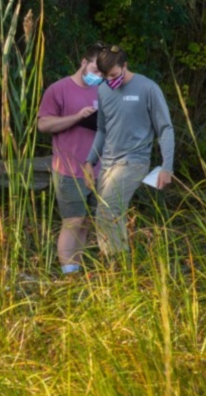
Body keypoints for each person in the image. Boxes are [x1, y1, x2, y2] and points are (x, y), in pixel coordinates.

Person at [83, 45, 175, 258]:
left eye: (114, 75)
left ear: (125, 66)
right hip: (107, 164)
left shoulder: (148, 88)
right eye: (105, 77)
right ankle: (124, 270)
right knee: (110, 215)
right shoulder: (104, 89)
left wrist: (167, 167)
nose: (110, 80)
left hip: (134, 161)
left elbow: (165, 128)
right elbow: (102, 130)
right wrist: (89, 161)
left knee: (107, 212)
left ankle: (114, 265)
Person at [37, 44, 105, 276]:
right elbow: (43, 124)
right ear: (84, 62)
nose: (99, 77)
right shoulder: (59, 89)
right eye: (95, 70)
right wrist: (76, 117)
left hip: (98, 169)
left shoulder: (105, 91)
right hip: (69, 169)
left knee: (87, 223)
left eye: (103, 73)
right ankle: (69, 278)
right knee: (73, 222)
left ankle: (78, 269)